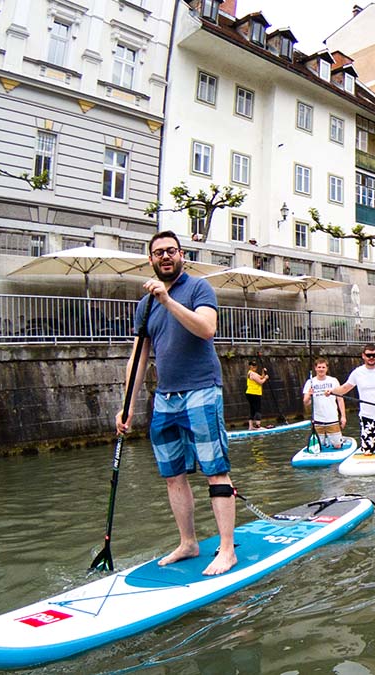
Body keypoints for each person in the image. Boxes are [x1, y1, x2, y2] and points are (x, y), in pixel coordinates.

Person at [115, 231, 236, 576]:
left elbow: (206, 329)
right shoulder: (144, 304)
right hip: (165, 398)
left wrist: (168, 301)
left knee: (215, 470)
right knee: (172, 475)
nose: (164, 257)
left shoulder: (199, 289)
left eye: (170, 251)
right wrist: (126, 405)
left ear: (182, 255)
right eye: (157, 253)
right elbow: (138, 357)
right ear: (151, 260)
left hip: (201, 390)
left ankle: (226, 549)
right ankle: (188, 542)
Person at [330, 344, 375, 454]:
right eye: (369, 355)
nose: (371, 358)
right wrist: (330, 391)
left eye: (374, 355)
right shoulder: (357, 372)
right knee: (367, 451)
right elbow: (345, 388)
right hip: (366, 417)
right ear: (363, 356)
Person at [302, 357, 346, 450]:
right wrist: (309, 395)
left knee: (337, 446)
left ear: (327, 368)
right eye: (319, 367)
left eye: (323, 367)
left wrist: (343, 416)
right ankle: (325, 441)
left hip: (332, 418)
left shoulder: (333, 381)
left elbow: (340, 399)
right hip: (318, 420)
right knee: (318, 446)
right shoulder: (310, 382)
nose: (321, 369)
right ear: (315, 368)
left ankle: (337, 440)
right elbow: (306, 402)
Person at [244, 361, 269, 430]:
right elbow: (260, 381)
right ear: (250, 366)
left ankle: (251, 426)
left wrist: (263, 372)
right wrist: (266, 378)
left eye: (255, 366)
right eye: (253, 366)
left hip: (252, 393)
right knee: (258, 409)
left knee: (252, 409)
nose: (254, 367)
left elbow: (261, 377)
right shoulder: (251, 374)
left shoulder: (253, 373)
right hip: (254, 393)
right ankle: (258, 426)